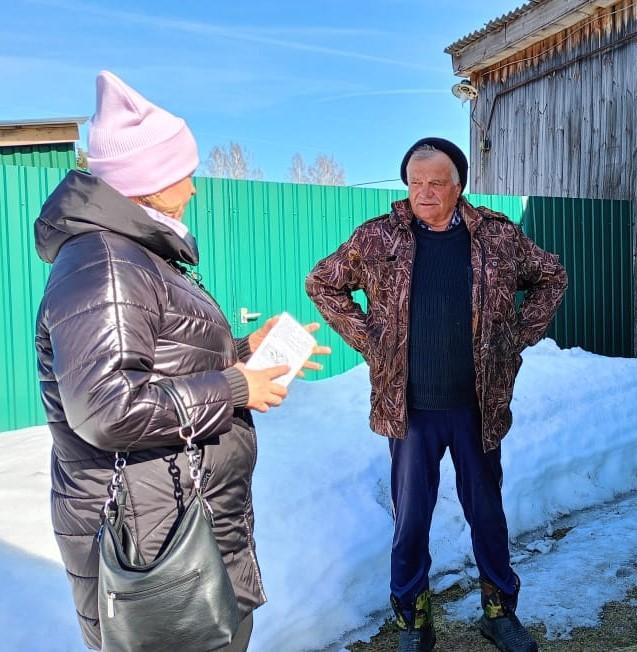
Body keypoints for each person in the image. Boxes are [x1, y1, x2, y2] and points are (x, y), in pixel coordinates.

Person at [33, 71, 330, 651]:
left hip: (177, 520)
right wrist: (235, 387)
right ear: (147, 179)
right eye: (183, 172)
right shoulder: (107, 264)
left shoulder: (134, 255)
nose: (193, 187)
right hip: (154, 540)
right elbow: (107, 408)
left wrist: (243, 352)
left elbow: (159, 361)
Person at [306, 137, 567, 652]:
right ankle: (414, 621)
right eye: (415, 183)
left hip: (478, 407)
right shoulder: (378, 237)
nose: (424, 192)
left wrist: (519, 333)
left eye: (436, 183)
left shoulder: (497, 235)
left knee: (487, 515)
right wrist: (371, 339)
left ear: (458, 185)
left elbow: (551, 276)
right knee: (411, 521)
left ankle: (499, 613)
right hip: (410, 411)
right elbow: (322, 283)